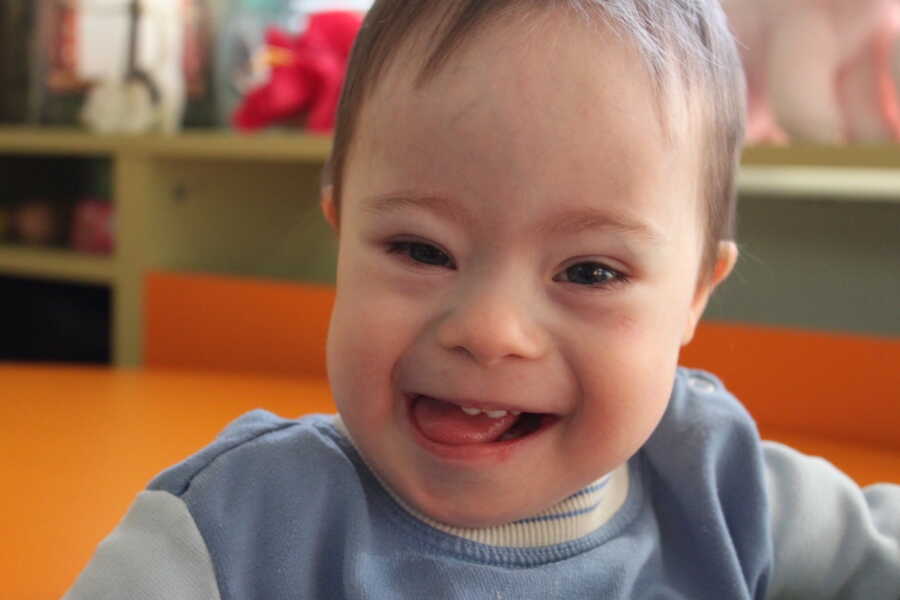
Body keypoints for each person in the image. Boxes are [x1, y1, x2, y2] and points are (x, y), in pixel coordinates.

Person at [64, 1, 900, 598]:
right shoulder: (238, 531)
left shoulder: (718, 485)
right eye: (421, 250)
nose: (490, 330)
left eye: (590, 272)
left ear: (693, 296)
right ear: (341, 234)